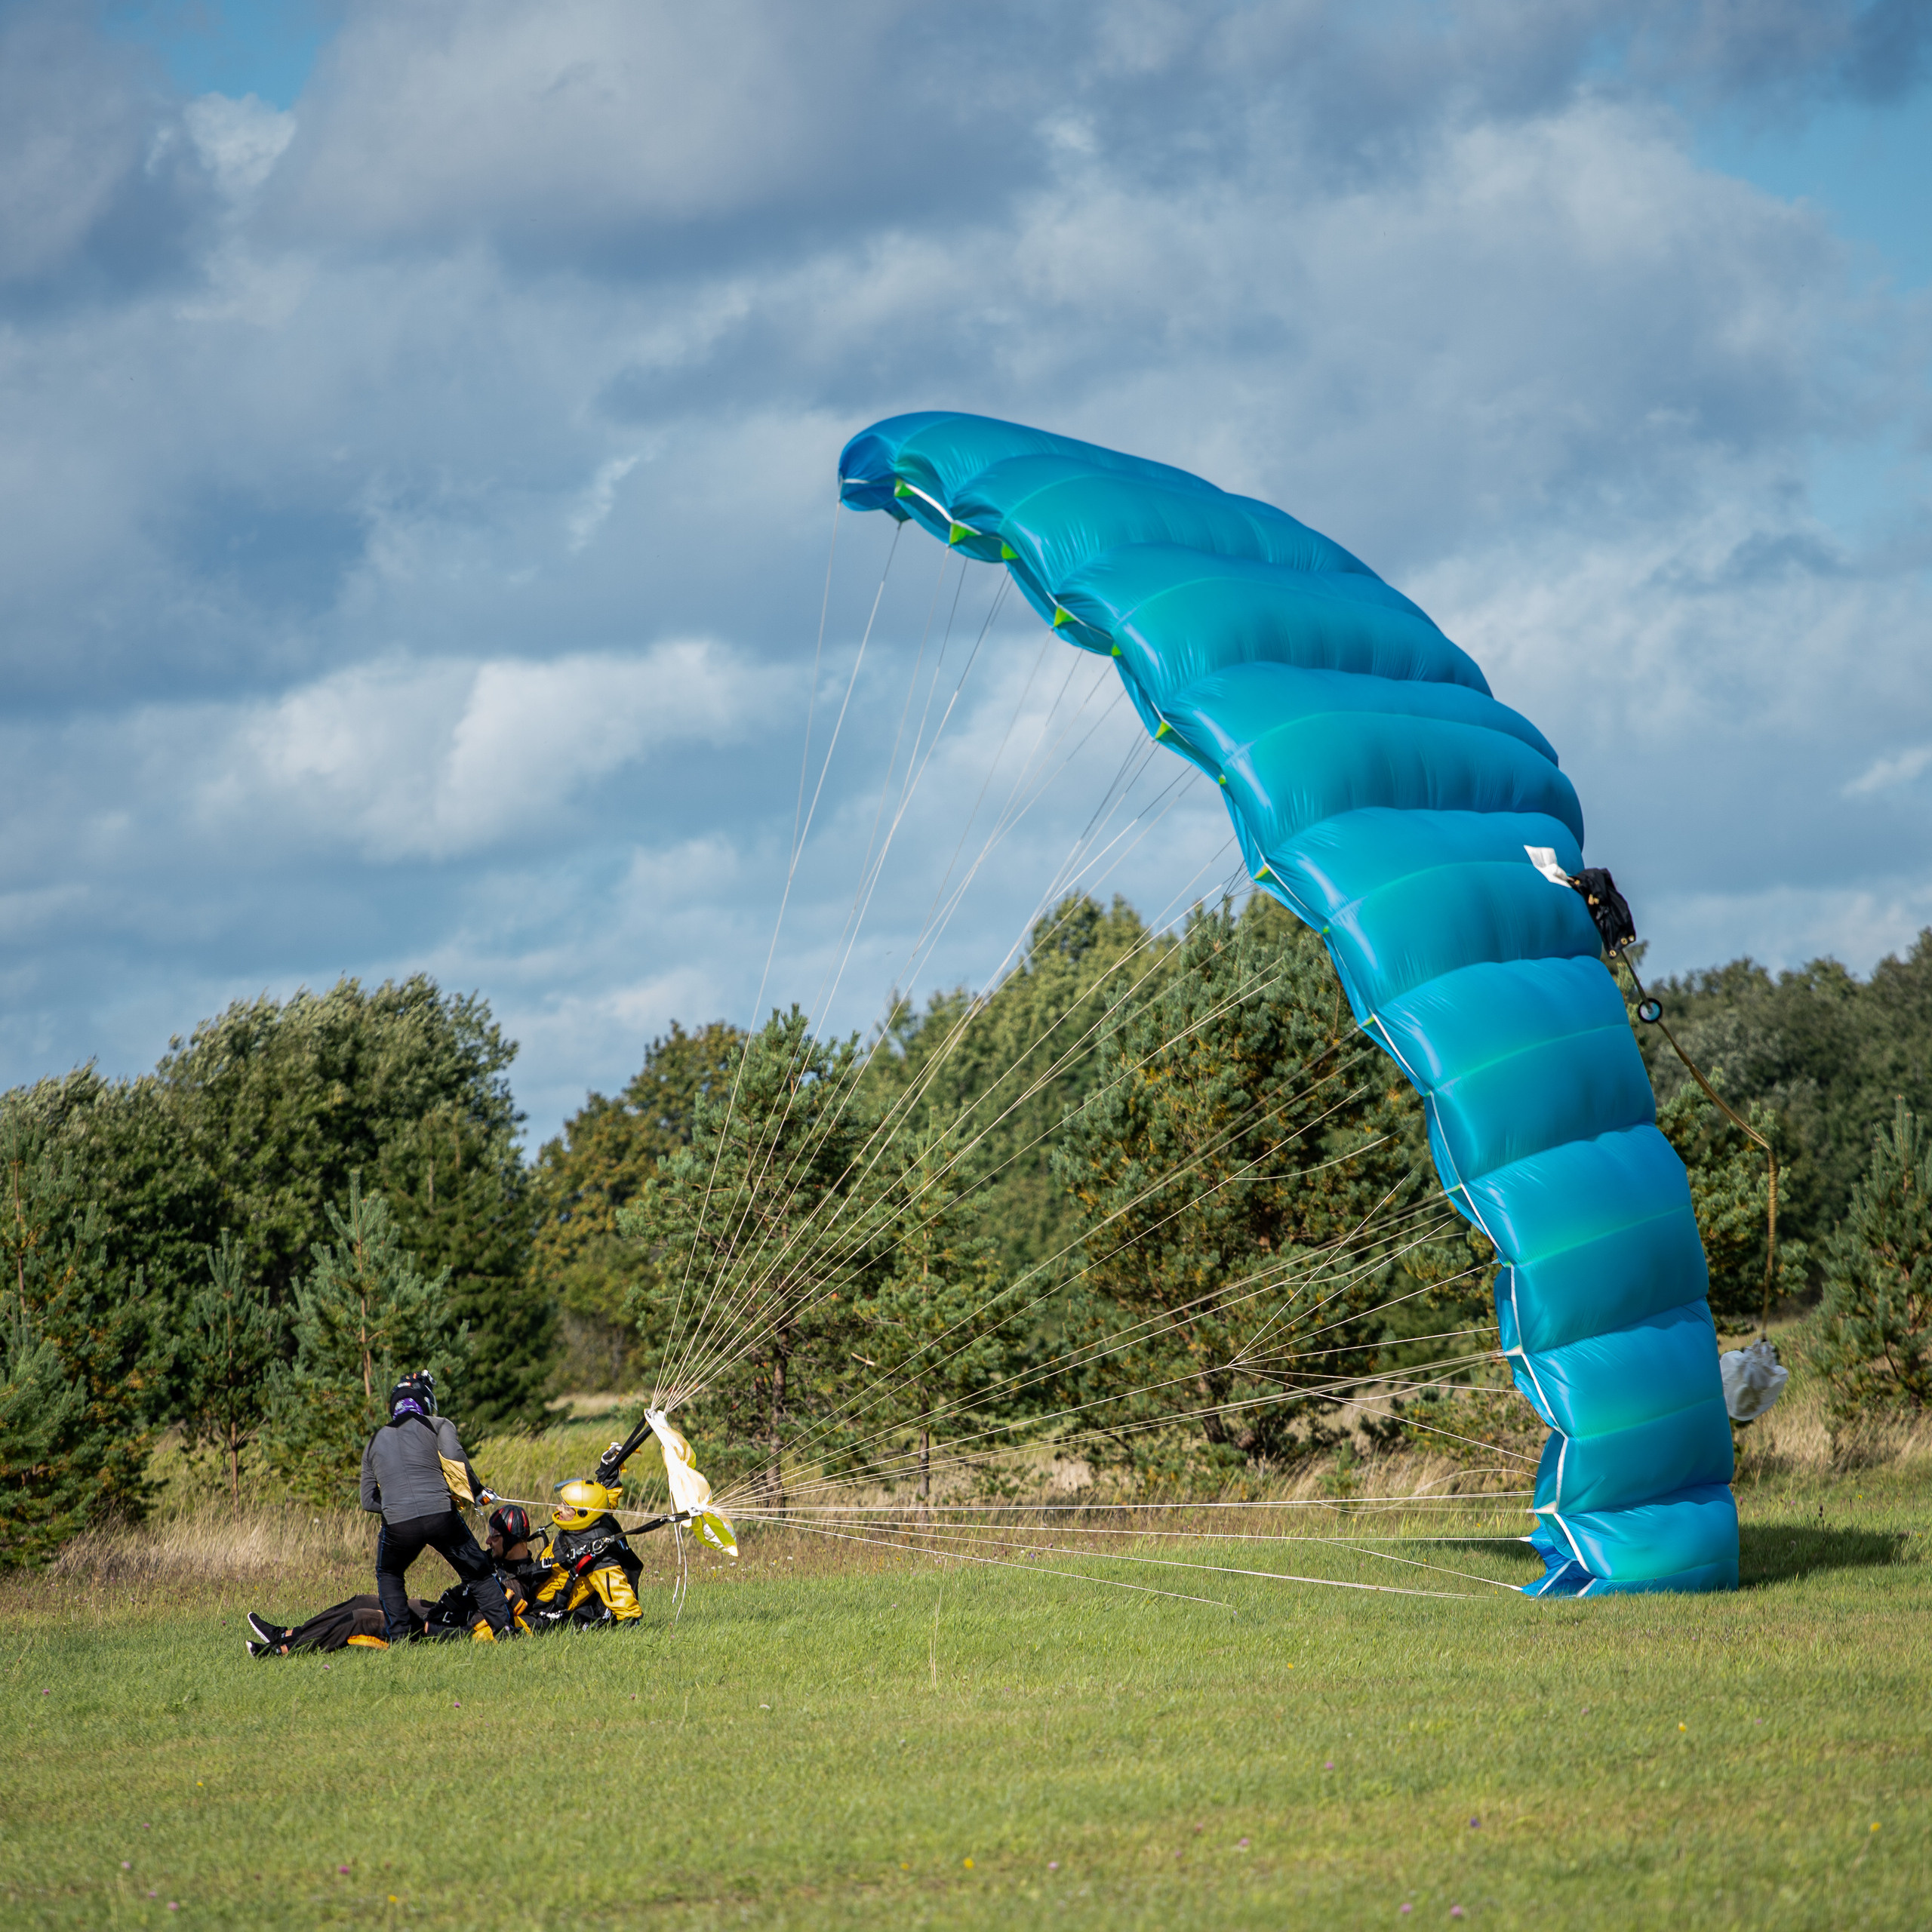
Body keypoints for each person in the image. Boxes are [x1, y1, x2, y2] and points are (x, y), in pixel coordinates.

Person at [246, 1505, 540, 1657]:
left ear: (514, 1540)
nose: (487, 1540)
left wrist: (428, 1627)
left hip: (434, 1628)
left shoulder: (515, 1586)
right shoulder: (497, 1562)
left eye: (496, 1536)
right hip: (435, 1610)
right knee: (363, 1600)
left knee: (361, 1618)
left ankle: (283, 1652)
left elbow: (478, 1626)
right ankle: (286, 1634)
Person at [359, 1372, 512, 1643]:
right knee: (476, 1572)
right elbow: (454, 1457)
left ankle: (401, 1638)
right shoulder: (439, 1424)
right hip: (442, 1516)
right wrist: (476, 1492)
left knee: (390, 1573)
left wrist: (396, 1505)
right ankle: (506, 1630)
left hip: (398, 1524)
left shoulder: (372, 1442)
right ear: (426, 1403)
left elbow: (368, 1500)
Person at [527, 1478, 648, 1630]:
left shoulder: (599, 1558)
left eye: (566, 1507)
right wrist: (609, 1472)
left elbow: (619, 1594)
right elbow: (601, 1500)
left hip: (544, 1614)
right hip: (532, 1590)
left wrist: (631, 1617)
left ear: (583, 1514)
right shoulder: (596, 1518)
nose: (558, 1508)